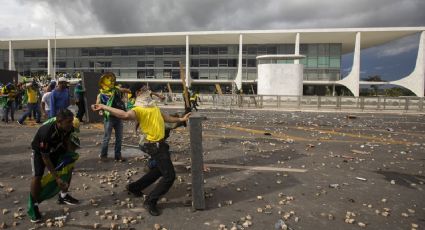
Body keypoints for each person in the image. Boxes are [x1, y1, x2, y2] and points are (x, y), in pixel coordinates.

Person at [91, 85, 191, 216]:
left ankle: (134, 187)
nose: (148, 91)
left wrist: (181, 119)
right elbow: (125, 115)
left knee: (159, 171)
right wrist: (103, 107)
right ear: (138, 93)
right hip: (153, 145)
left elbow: (165, 117)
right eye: (144, 89)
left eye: (147, 89)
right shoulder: (138, 108)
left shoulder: (152, 105)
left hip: (160, 144)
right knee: (169, 176)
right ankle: (150, 201)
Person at [28, 109, 80, 223]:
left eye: (72, 121)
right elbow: (45, 158)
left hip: (56, 148)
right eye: (69, 122)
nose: (71, 124)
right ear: (59, 122)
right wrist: (57, 178)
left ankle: (63, 196)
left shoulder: (68, 127)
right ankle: (34, 205)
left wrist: (67, 155)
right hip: (40, 153)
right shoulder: (46, 133)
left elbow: (67, 139)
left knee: (69, 166)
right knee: (37, 176)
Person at [97, 72, 130, 162]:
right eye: (108, 80)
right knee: (107, 137)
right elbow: (97, 105)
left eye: (112, 80)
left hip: (118, 117)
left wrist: (131, 91)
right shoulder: (101, 95)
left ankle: (118, 155)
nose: (111, 82)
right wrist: (98, 109)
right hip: (109, 118)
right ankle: (103, 156)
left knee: (119, 137)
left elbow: (125, 90)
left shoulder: (116, 90)